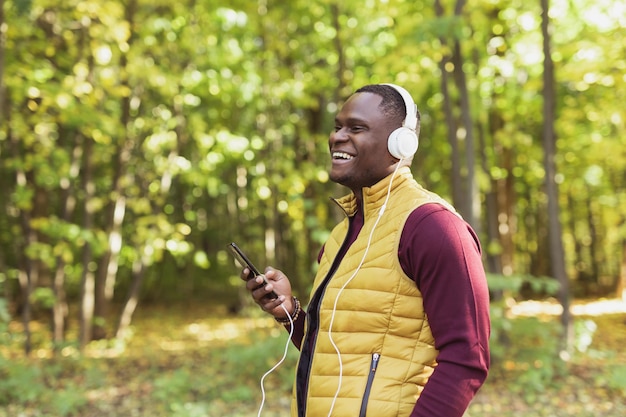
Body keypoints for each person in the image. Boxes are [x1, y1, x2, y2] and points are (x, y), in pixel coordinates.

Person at [242, 83, 490, 417]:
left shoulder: (433, 227)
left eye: (356, 128)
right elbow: (337, 352)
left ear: (400, 144)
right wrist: (288, 311)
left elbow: (467, 358)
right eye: (337, 127)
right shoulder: (340, 236)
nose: (337, 137)